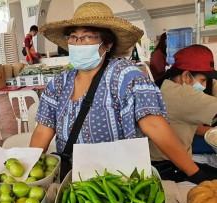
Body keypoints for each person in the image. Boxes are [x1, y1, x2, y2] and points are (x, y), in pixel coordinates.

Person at [29, 2, 207, 184]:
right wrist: (28, 171)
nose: (77, 43)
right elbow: (43, 130)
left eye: (87, 37)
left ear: (107, 43)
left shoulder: (126, 77)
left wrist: (195, 174)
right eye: (73, 37)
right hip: (72, 180)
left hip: (119, 180)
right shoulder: (59, 83)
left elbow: (154, 126)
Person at [150, 44, 217, 182]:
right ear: (186, 76)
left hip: (160, 163)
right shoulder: (185, 94)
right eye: (203, 80)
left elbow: (195, 127)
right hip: (170, 168)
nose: (204, 87)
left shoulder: (166, 86)